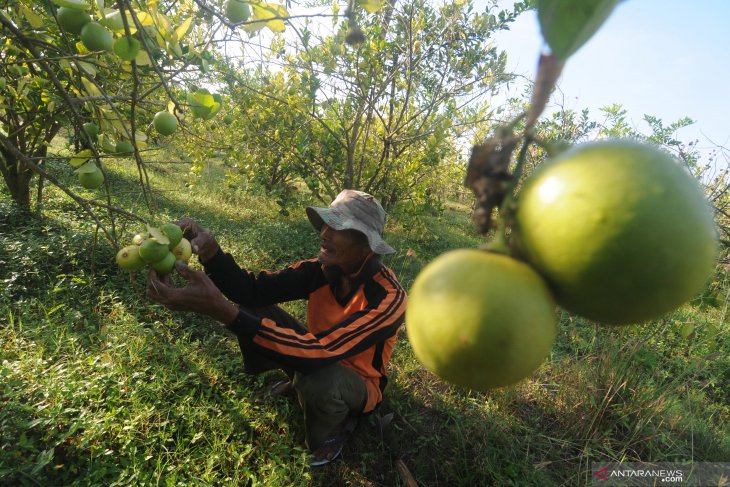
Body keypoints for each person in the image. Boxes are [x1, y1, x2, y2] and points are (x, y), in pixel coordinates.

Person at [146, 189, 407, 466]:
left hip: (358, 381)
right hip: (315, 353)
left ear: (366, 245)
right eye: (326, 224)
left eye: (338, 227)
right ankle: (295, 377)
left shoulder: (389, 298)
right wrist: (211, 254)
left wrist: (221, 310)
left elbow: (323, 352)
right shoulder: (320, 270)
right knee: (253, 311)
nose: (324, 234)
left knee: (318, 378)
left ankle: (335, 428)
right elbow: (252, 291)